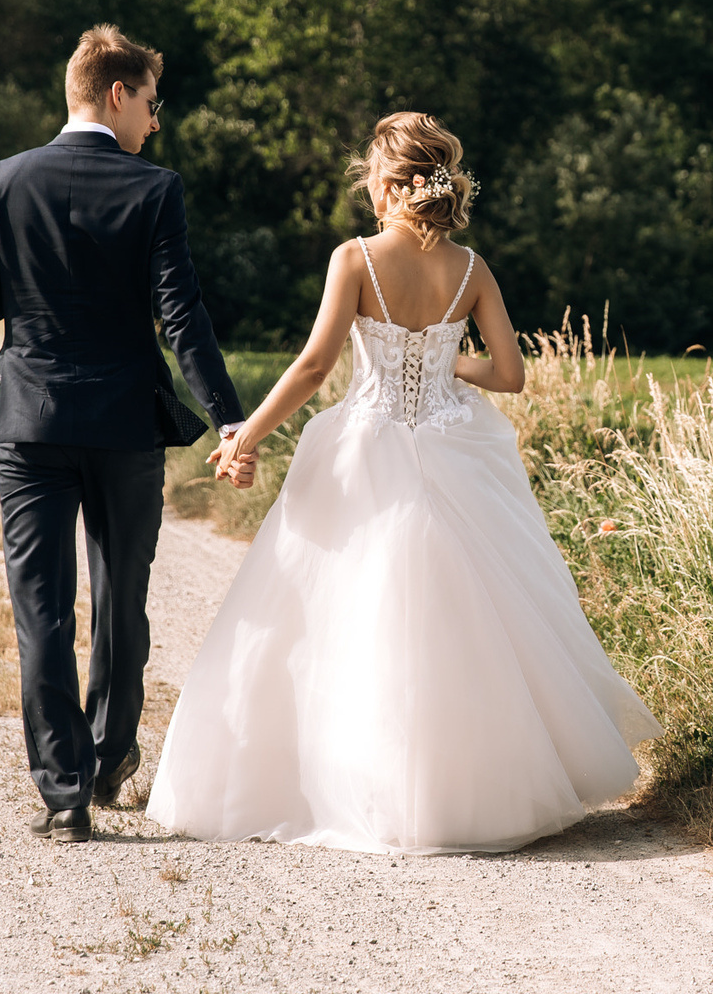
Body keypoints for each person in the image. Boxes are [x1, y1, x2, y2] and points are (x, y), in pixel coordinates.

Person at [144, 112, 659, 853]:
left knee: (340, 615)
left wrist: (245, 435)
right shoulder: (472, 269)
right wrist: (447, 360)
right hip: (454, 447)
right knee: (468, 620)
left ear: (385, 187)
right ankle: (469, 794)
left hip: (366, 444)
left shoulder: (354, 258)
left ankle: (353, 784)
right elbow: (509, 374)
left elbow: (315, 366)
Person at [0, 25, 246, 844]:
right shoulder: (156, 190)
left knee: (40, 606)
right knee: (121, 598)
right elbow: (182, 317)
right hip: (124, 425)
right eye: (150, 102)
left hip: (30, 425)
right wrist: (229, 415)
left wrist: (25, 268)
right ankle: (112, 758)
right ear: (117, 94)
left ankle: (65, 790)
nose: (155, 121)